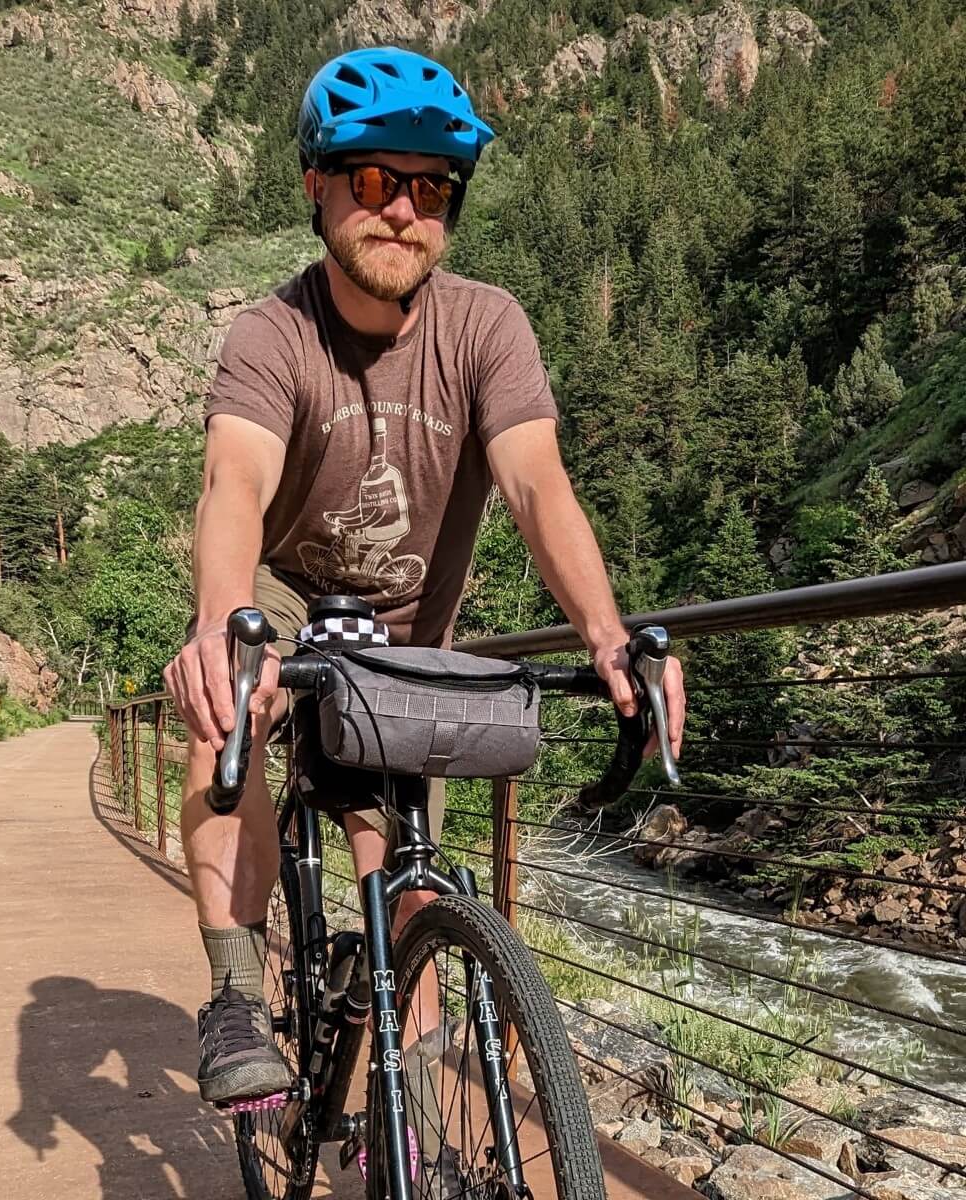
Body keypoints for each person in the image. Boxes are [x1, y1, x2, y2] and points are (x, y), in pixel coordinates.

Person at [164, 46, 686, 1109]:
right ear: (316, 186)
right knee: (226, 711)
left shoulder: (486, 326)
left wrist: (608, 636)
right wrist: (222, 624)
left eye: (431, 188)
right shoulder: (273, 334)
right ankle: (234, 998)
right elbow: (233, 481)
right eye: (373, 179)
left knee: (410, 895)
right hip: (287, 594)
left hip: (406, 635)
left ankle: (399, 1139)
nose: (402, 210)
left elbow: (536, 483)